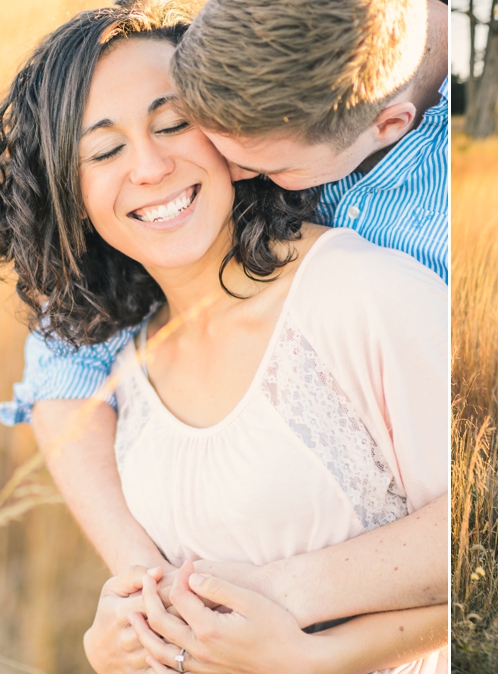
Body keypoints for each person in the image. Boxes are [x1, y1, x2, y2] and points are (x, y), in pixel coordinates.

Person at [0, 3, 447, 672]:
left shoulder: (363, 292)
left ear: (236, 130)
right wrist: (121, 643)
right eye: (105, 149)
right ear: (71, 195)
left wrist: (296, 632)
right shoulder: (124, 359)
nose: (149, 167)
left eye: (175, 123)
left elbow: (481, 541)